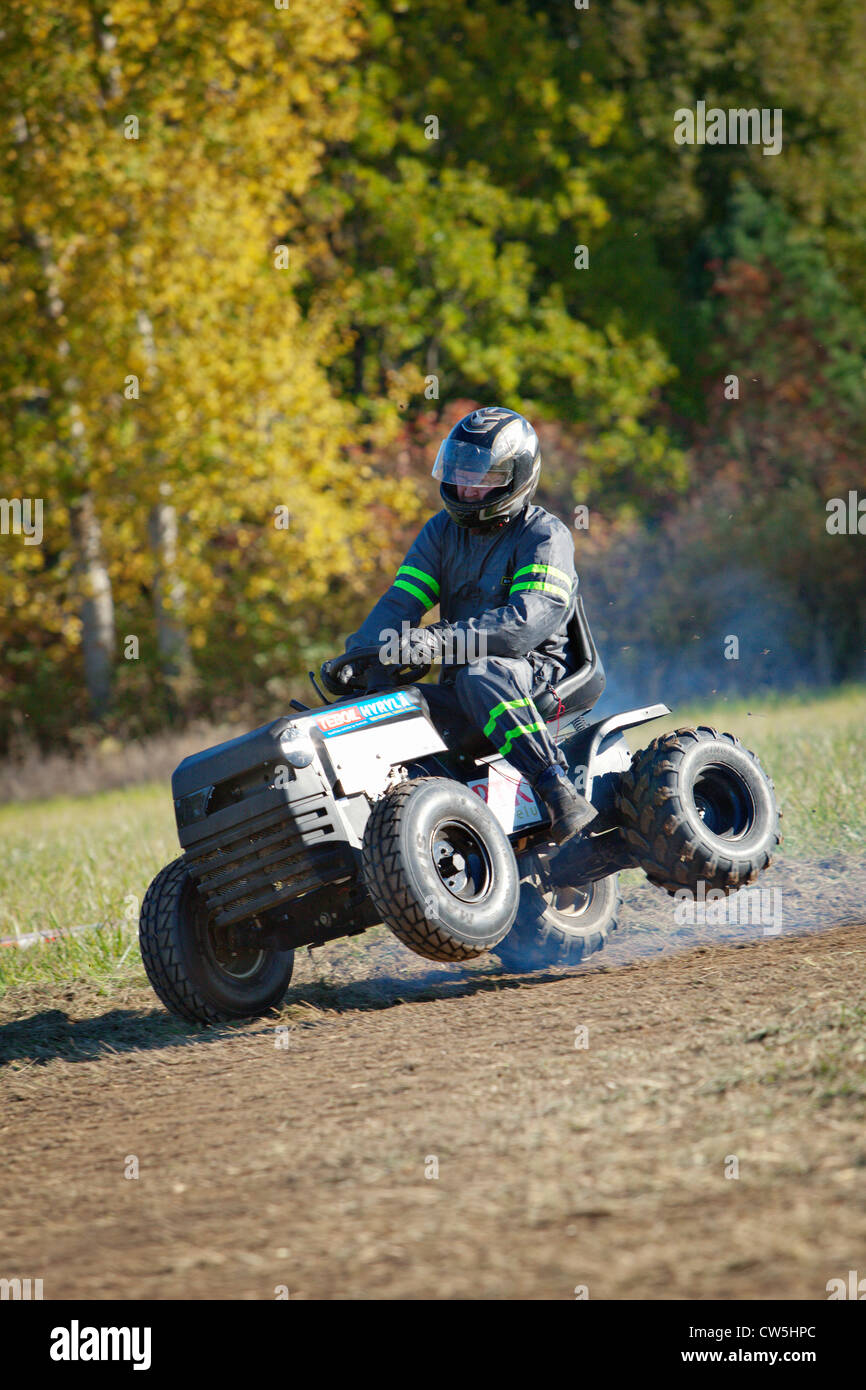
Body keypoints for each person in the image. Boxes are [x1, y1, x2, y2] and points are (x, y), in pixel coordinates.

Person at [321, 406, 596, 842]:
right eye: (461, 473)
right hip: (464, 683)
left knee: (480, 672)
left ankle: (556, 789)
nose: (467, 488)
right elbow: (400, 602)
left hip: (535, 672)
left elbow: (523, 625)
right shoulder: (440, 533)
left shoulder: (544, 536)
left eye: (482, 477)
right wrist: (359, 659)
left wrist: (436, 642)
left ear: (516, 476)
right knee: (384, 706)